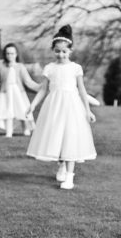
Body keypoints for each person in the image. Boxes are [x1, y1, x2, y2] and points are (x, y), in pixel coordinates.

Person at [25, 25, 96, 189]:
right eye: (57, 51)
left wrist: (88, 110)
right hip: (54, 107)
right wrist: (33, 105)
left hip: (72, 107)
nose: (61, 54)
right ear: (53, 50)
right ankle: (61, 165)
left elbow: (82, 90)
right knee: (57, 136)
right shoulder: (50, 68)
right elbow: (43, 89)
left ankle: (70, 177)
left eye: (64, 51)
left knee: (70, 137)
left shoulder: (75, 68)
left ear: (70, 51)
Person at [0, 43, 40, 137]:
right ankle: (9, 132)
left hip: (18, 93)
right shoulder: (2, 66)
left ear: (16, 54)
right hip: (6, 93)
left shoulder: (20, 66)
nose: (10, 56)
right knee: (8, 111)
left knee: (22, 110)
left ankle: (26, 129)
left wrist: (40, 87)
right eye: (8, 53)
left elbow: (28, 81)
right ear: (5, 54)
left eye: (12, 53)